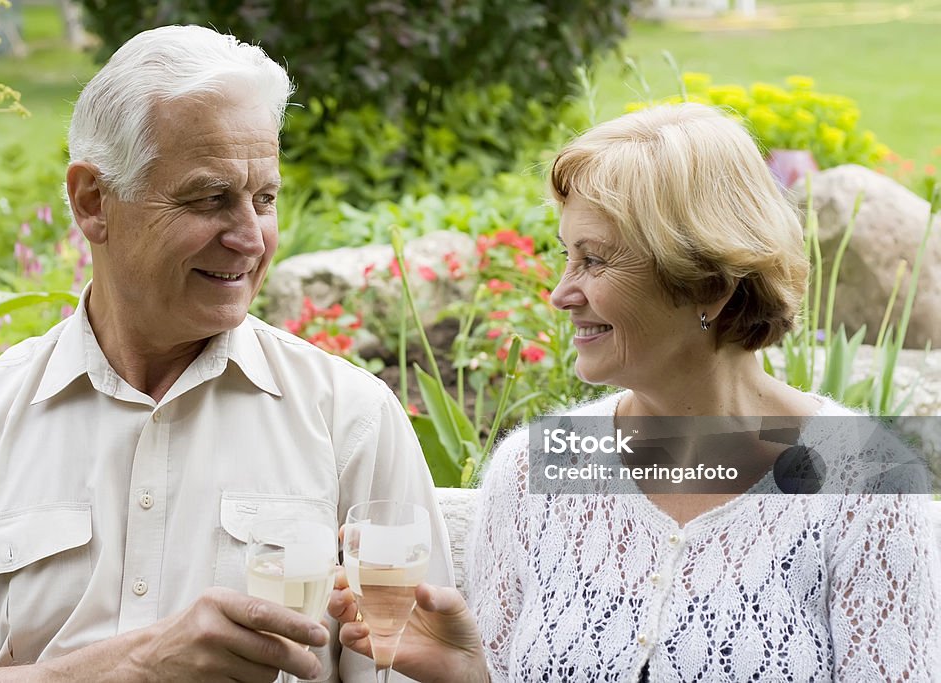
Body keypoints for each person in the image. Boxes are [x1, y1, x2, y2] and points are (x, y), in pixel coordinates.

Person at [330, 103, 941, 681]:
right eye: (566, 255)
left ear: (708, 285)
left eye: (594, 262)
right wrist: (472, 674)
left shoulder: (867, 482)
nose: (561, 294)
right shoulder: (535, 467)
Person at [0, 25, 453, 682]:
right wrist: (136, 663)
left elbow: (413, 667)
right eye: (209, 199)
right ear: (93, 201)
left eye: (265, 198)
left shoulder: (352, 419)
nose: (251, 239)